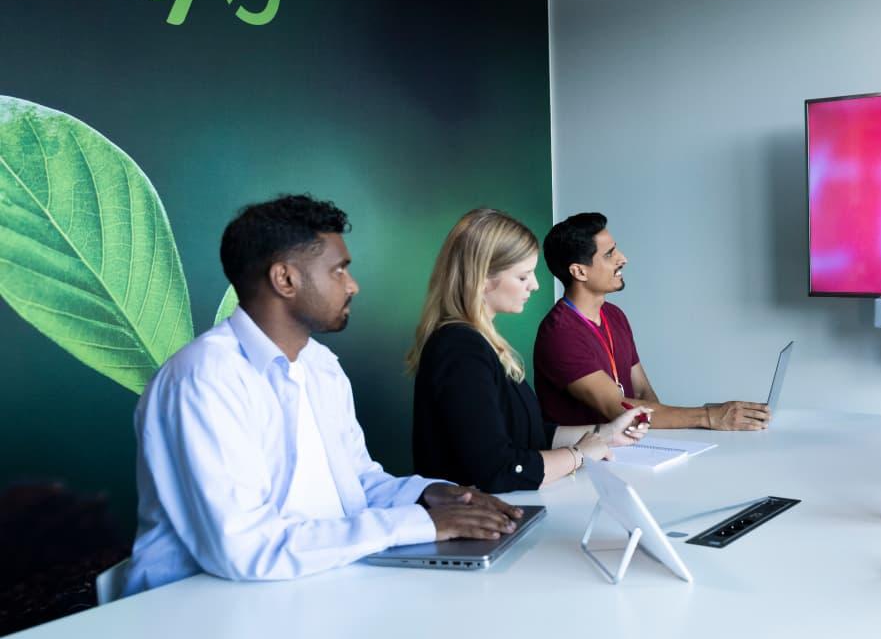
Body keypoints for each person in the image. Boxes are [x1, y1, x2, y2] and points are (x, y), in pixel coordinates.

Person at [123, 194, 521, 596]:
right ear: (285, 279)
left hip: (310, 585)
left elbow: (358, 486)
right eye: (338, 271)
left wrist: (434, 495)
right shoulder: (203, 379)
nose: (353, 285)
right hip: (198, 607)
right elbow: (245, 549)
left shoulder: (321, 366)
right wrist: (423, 524)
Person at [408, 209, 651, 493]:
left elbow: (530, 435)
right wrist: (579, 455)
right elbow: (499, 469)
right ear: (483, 278)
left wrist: (606, 433)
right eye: (523, 277)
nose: (535, 285)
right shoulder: (460, 350)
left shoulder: (482, 343)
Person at [533, 212, 771, 430]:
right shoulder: (560, 334)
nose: (622, 258)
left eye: (616, 250)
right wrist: (709, 416)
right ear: (579, 272)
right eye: (609, 254)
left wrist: (659, 442)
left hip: (627, 449)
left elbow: (642, 390)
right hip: (584, 465)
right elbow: (617, 408)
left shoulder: (614, 315)